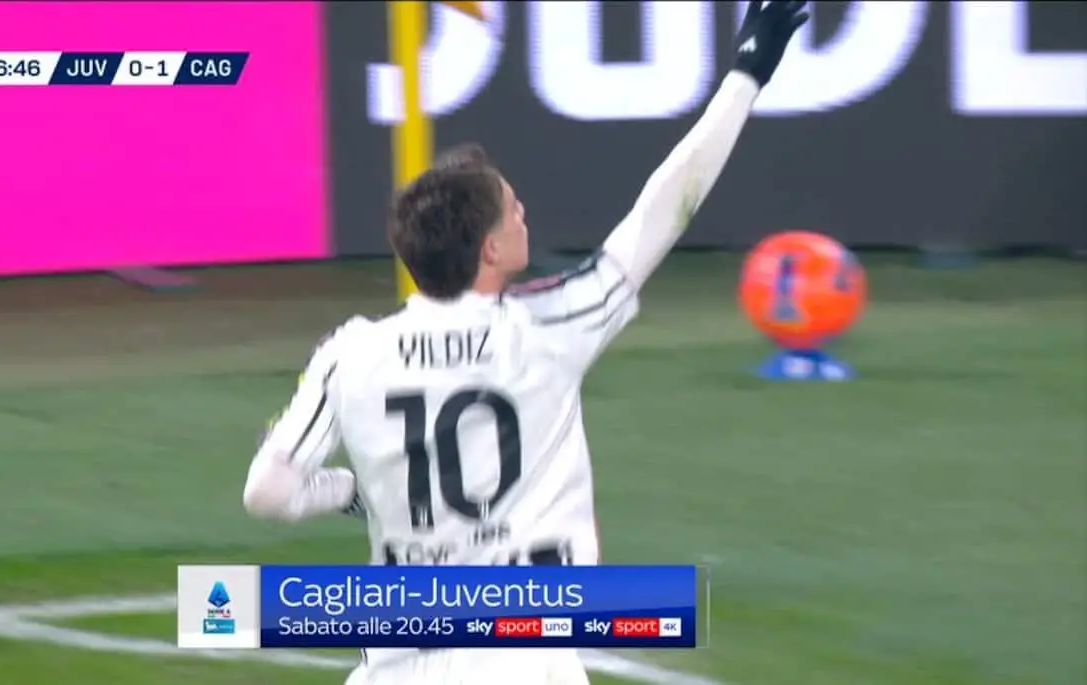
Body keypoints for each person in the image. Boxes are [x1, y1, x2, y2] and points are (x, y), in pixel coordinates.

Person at [242, 2, 809, 683]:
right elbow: (666, 206)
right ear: (489, 248)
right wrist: (747, 73)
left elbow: (267, 492)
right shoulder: (549, 325)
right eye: (512, 210)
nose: (523, 214)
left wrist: (342, 490)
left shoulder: (350, 352)